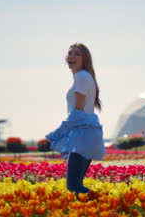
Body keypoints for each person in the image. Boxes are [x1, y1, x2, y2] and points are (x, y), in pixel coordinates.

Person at [45, 43, 106, 194]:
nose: (71, 56)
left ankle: (107, 204)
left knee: (73, 185)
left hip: (83, 136)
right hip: (87, 134)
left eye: (77, 54)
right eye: (70, 53)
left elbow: (78, 113)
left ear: (85, 59)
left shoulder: (81, 77)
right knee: (76, 184)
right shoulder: (84, 76)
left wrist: (56, 134)